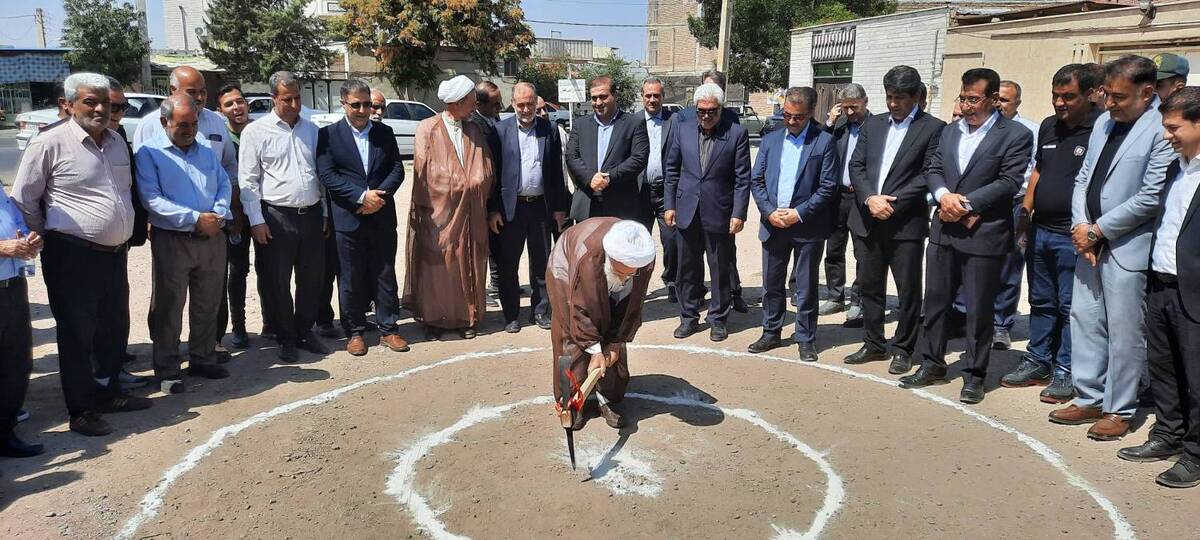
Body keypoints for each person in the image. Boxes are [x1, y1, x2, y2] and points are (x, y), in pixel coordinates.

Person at [12, 73, 152, 437]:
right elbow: (24, 200)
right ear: (69, 104)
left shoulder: (117, 141)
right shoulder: (49, 143)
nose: (101, 109)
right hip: (72, 256)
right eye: (91, 101)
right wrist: (49, 235)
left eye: (106, 102)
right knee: (77, 333)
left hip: (114, 254)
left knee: (113, 327)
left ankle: (108, 393)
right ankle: (81, 409)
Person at [1049, 55, 1174, 440]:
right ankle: (1089, 395)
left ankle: (1119, 408)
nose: (1109, 102)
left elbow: (1150, 196)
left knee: (1124, 331)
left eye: (1119, 97)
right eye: (1106, 94)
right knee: (1085, 320)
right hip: (1088, 243)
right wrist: (1080, 226)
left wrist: (1098, 230)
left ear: (1146, 92)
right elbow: (1084, 179)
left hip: (1127, 246)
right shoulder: (1104, 122)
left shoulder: (1160, 130)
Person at [899, 68, 1033, 405]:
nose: (966, 105)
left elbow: (1009, 182)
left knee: (978, 308)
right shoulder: (950, 131)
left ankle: (974, 375)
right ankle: (932, 362)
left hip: (984, 235)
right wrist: (944, 196)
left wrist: (966, 204)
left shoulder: (1015, 135)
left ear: (993, 99)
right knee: (936, 302)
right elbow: (934, 169)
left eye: (973, 99)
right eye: (963, 98)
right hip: (944, 230)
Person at [1117, 87, 1200, 488]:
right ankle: (1168, 434)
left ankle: (1195, 455)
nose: (1167, 136)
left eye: (1174, 128)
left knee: (1197, 378)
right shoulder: (1174, 169)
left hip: (1195, 291)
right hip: (1162, 285)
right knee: (1164, 369)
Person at [1002, 64, 1100, 403]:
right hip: (1041, 229)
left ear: (1090, 94)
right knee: (1041, 300)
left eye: (1068, 97)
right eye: (1055, 96)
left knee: (1071, 307)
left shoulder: (1102, 129)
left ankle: (1066, 369)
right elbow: (1039, 170)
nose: (1060, 103)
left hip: (1074, 235)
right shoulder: (1048, 126)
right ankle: (1038, 360)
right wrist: (1025, 210)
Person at [842, 66, 946, 375]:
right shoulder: (873, 125)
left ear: (916, 97)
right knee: (870, 286)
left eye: (900, 98)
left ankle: (903, 348)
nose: (893, 103)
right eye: (889, 96)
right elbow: (856, 165)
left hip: (905, 224)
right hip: (867, 219)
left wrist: (891, 203)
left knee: (908, 291)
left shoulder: (933, 128)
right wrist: (870, 199)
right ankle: (873, 342)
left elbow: (929, 173)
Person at [131, 65, 238, 360]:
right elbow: (151, 198)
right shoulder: (149, 150)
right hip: (173, 238)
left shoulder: (205, 148)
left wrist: (217, 215)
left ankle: (202, 358)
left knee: (207, 302)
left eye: (193, 124)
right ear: (165, 122)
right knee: (170, 306)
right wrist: (195, 219)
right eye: (183, 125)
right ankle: (167, 368)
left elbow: (223, 183)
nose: (190, 129)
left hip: (211, 236)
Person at [239, 71, 331, 362]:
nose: (294, 105)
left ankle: (304, 331)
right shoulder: (256, 132)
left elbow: (320, 175)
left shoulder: (312, 130)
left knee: (311, 279)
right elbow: (248, 181)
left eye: (297, 98)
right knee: (277, 281)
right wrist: (256, 220)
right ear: (273, 99)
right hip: (276, 217)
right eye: (287, 99)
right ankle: (286, 337)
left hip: (311, 215)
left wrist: (324, 212)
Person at [316, 79, 409, 356]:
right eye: (356, 105)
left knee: (384, 273)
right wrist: (361, 197)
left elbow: (397, 169)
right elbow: (327, 174)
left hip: (381, 215)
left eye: (367, 104)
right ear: (343, 103)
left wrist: (378, 198)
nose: (362, 110)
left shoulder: (384, 133)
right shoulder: (329, 135)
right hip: (348, 217)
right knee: (350, 277)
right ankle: (355, 331)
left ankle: (389, 329)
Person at [747, 87, 837, 360]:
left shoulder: (824, 142)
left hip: (807, 226)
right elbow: (757, 180)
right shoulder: (771, 140)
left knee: (806, 286)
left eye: (798, 117)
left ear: (810, 113)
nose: (791, 121)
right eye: (787, 115)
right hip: (773, 224)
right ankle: (771, 331)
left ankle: (805, 337)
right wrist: (769, 212)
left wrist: (798, 214)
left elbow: (828, 186)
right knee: (771, 283)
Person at [403, 75, 496, 340]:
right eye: (471, 101)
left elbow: (486, 166)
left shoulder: (474, 129)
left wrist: (476, 181)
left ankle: (467, 317)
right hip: (439, 213)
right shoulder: (428, 128)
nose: (475, 106)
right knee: (439, 265)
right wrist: (461, 183)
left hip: (471, 213)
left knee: (469, 262)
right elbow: (426, 172)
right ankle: (435, 320)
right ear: (457, 102)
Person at [548, 218, 656, 430]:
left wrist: (615, 342)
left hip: (602, 267)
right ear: (611, 258)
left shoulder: (643, 259)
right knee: (569, 334)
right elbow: (580, 309)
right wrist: (594, 349)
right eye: (621, 272)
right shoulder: (588, 258)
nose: (625, 279)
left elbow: (632, 305)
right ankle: (570, 401)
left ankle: (607, 398)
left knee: (612, 340)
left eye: (631, 273)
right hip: (566, 267)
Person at [664, 83, 751, 343]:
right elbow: (672, 170)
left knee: (719, 268)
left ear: (721, 109)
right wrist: (670, 205)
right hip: (687, 210)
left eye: (712, 111)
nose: (706, 116)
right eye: (701, 111)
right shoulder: (683, 130)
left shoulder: (736, 134)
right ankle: (688, 317)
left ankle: (718, 319)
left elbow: (742, 178)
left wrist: (739, 213)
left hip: (719, 211)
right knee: (687, 269)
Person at [487, 82, 569, 333]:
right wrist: (493, 210)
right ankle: (511, 314)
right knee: (508, 264)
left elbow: (556, 172)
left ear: (536, 103)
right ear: (513, 104)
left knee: (541, 263)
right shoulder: (499, 131)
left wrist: (559, 208)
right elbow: (493, 175)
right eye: (521, 104)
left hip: (541, 207)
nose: (525, 109)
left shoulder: (549, 129)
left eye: (530, 104)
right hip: (510, 209)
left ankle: (540, 311)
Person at [984, 80, 1041, 350]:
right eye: (997, 99)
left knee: (1010, 264)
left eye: (1006, 100)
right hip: (985, 204)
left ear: (1018, 102)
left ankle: (1000, 325)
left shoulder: (1031, 131)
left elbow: (1036, 172)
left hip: (1015, 204)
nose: (999, 104)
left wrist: (1027, 209)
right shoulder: (984, 128)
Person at [565, 76, 651, 227]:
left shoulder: (634, 123)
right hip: (587, 205)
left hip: (621, 207)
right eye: (594, 98)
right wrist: (590, 178)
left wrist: (609, 177)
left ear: (615, 95)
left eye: (603, 97)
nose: (598, 102)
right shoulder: (580, 125)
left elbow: (639, 158)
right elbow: (571, 156)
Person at [820, 83, 868, 325]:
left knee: (862, 251)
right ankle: (835, 296)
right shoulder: (839, 127)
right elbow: (819, 145)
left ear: (865, 102)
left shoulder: (877, 127)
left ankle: (858, 300)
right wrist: (829, 122)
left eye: (854, 107)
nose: (850, 112)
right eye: (846, 107)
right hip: (838, 197)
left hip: (862, 198)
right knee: (834, 250)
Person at [214, 83, 257, 349]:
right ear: (220, 110)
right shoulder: (219, 136)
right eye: (229, 104)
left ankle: (272, 322)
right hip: (233, 214)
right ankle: (238, 326)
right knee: (236, 271)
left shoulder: (259, 130)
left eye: (240, 101)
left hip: (261, 211)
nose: (236, 107)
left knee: (268, 269)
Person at [0, 193, 43, 456]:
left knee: (16, 363)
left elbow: (18, 223)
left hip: (13, 286)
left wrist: (30, 239)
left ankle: (5, 433)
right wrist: (2, 247)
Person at [638, 77, 679, 302]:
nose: (652, 99)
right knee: (638, 241)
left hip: (666, 192)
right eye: (648, 95)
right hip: (639, 193)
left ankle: (672, 280)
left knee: (671, 240)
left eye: (656, 95)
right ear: (642, 97)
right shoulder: (631, 122)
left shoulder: (674, 121)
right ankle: (637, 284)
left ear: (663, 97)